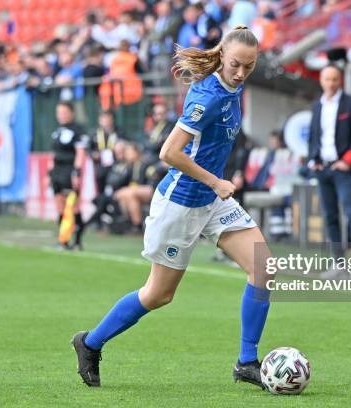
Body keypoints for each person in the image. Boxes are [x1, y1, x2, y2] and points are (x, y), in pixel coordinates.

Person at [72, 26, 271, 389]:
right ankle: (89, 343)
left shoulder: (233, 85)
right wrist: (215, 180)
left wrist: (216, 185)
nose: (241, 73)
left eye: (249, 67)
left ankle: (247, 362)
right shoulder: (208, 97)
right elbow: (169, 152)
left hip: (212, 202)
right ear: (223, 56)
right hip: (181, 203)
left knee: (262, 266)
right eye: (236, 65)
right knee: (158, 295)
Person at [307, 64, 351, 257]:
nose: (331, 83)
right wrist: (313, 159)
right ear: (321, 81)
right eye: (327, 79)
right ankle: (338, 262)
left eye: (334, 79)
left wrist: (348, 160)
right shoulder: (317, 105)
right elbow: (314, 135)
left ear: (340, 80)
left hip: (343, 169)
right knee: (330, 216)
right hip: (323, 169)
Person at [48, 102, 88, 249]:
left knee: (73, 206)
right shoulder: (57, 131)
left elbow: (80, 153)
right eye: (59, 112)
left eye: (64, 112)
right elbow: (53, 154)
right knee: (59, 206)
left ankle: (77, 241)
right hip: (56, 172)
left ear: (71, 113)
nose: (61, 115)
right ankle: (63, 240)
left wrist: (76, 173)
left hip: (69, 170)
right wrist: (49, 173)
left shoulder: (78, 131)